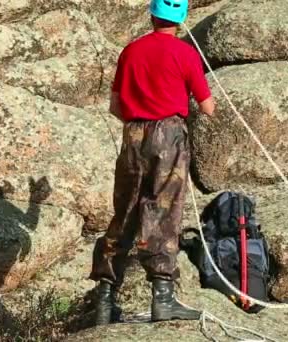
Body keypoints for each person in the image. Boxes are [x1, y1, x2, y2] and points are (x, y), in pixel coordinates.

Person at [89, 0, 215, 326]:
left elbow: (116, 105)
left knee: (127, 210)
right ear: (183, 18)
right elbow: (208, 108)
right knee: (163, 211)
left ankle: (104, 299)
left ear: (152, 13)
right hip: (169, 134)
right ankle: (163, 298)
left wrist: (137, 124)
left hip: (133, 134)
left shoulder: (131, 51)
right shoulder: (185, 54)